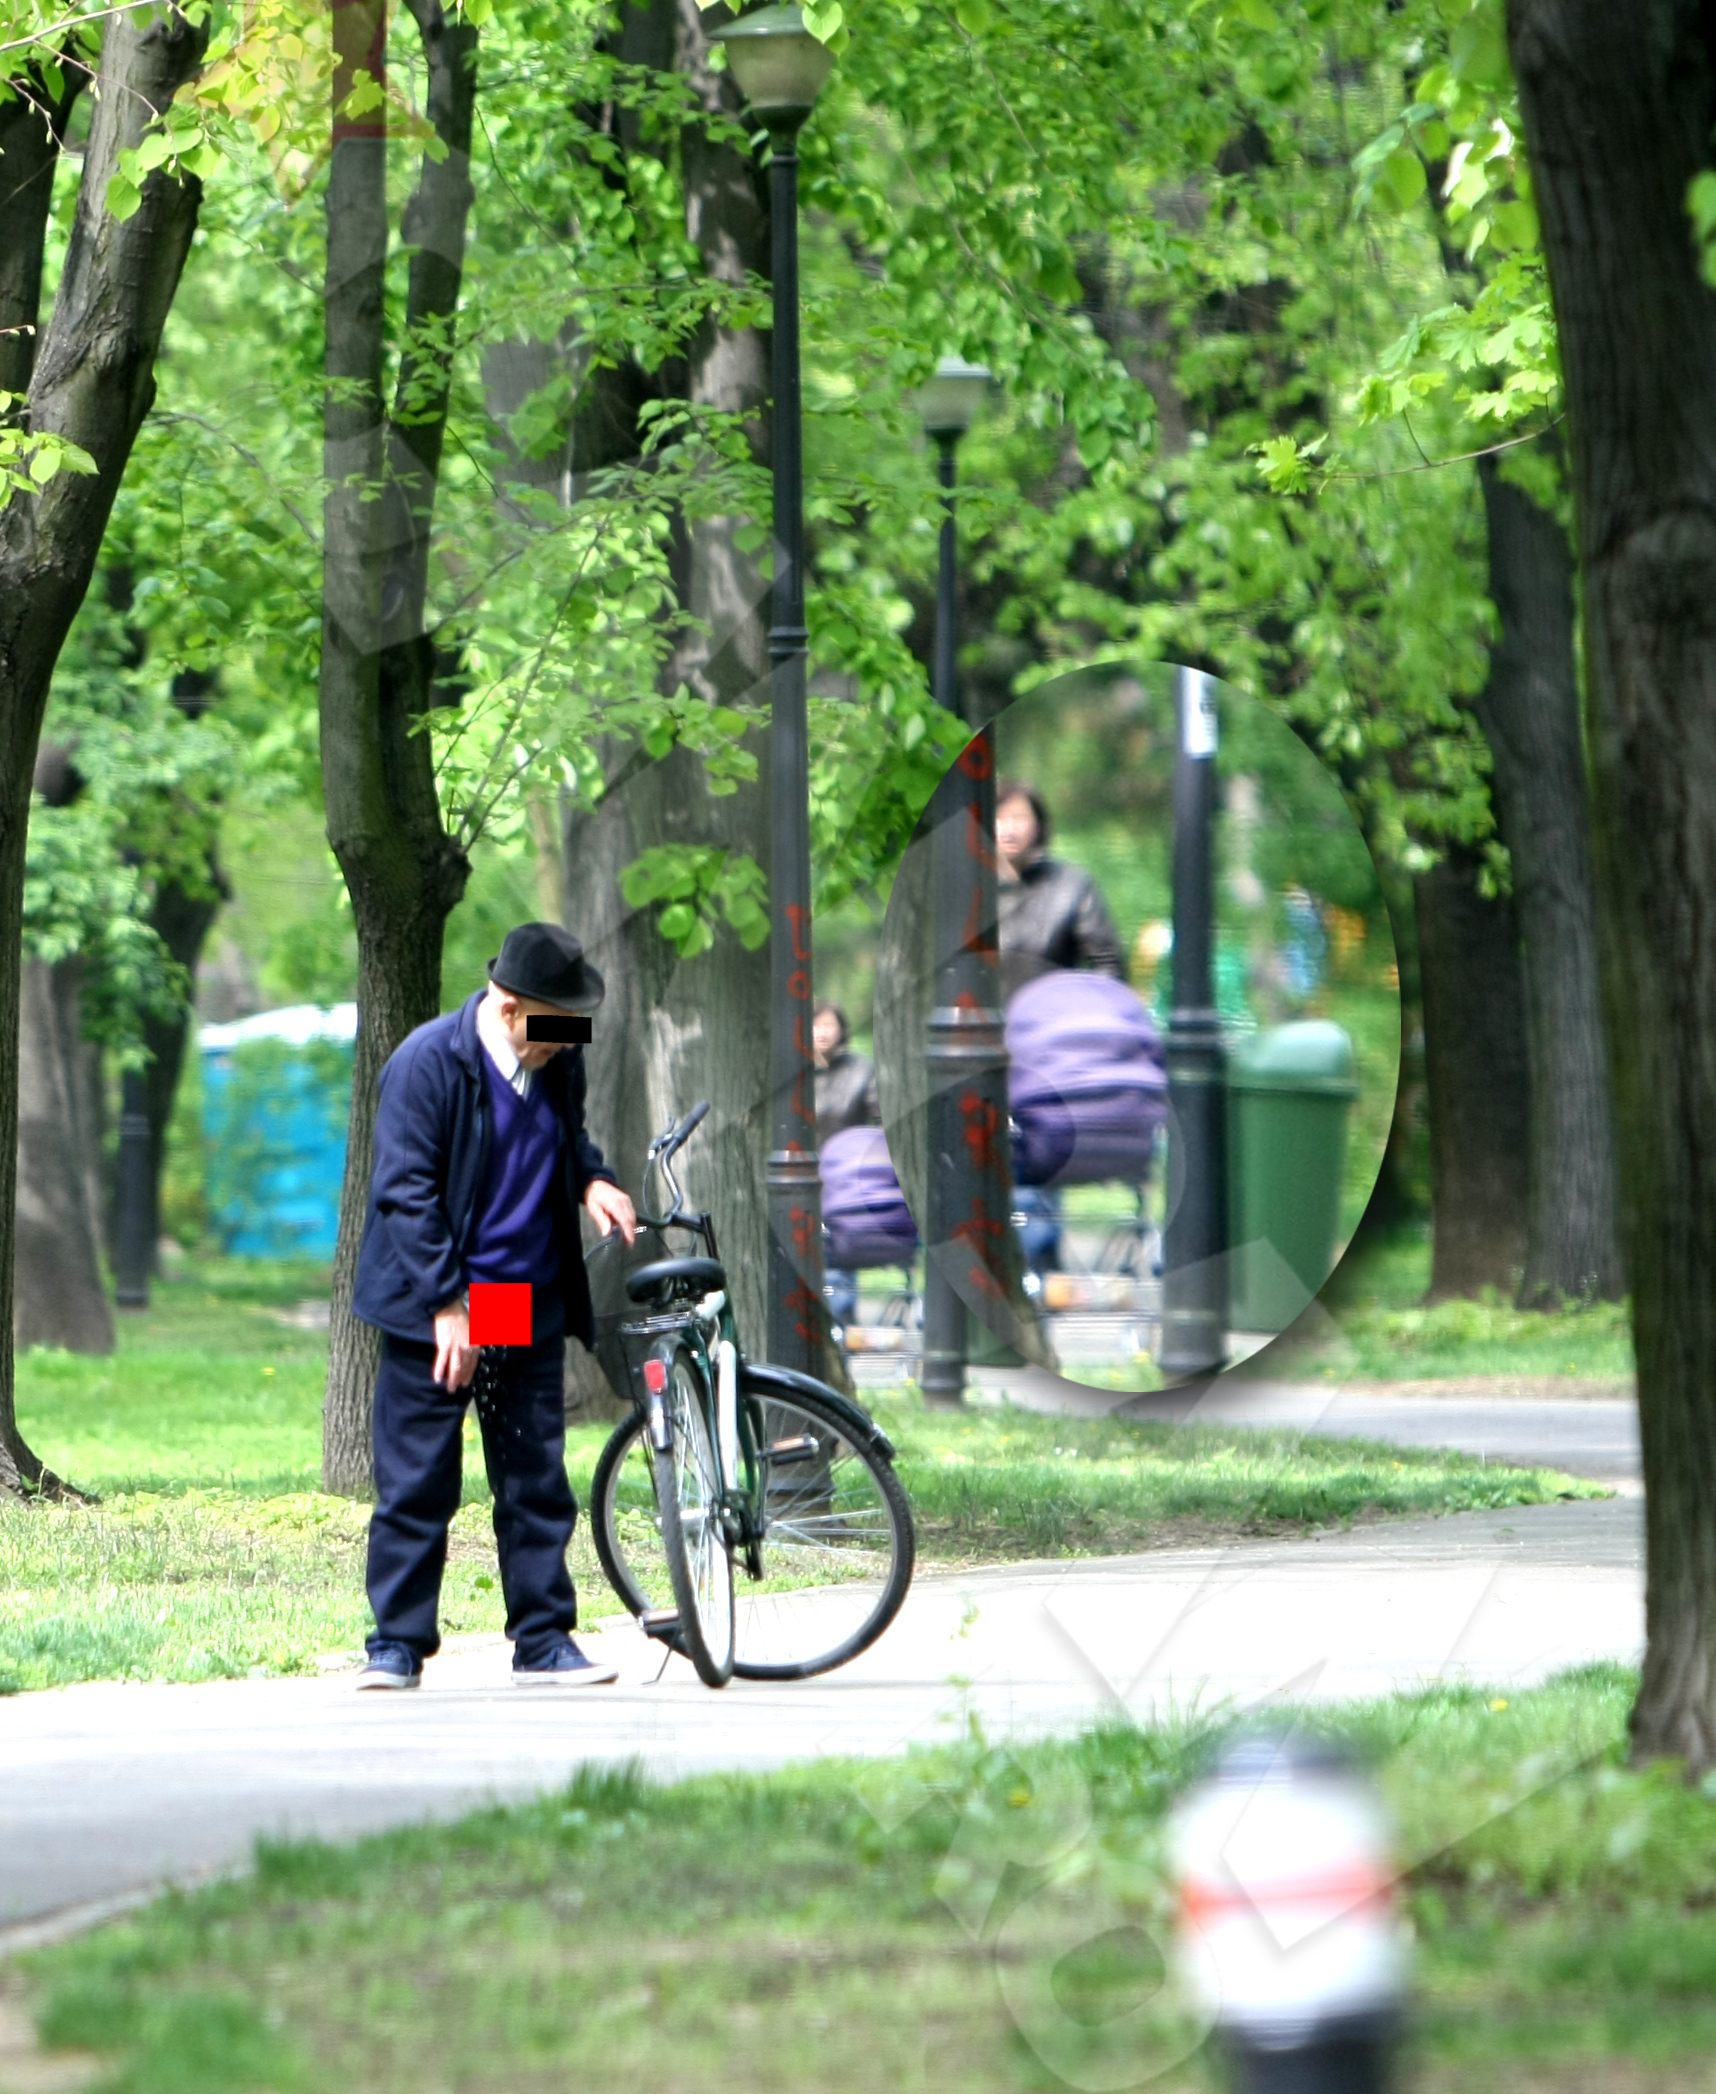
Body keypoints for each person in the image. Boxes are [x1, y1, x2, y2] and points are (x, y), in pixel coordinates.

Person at [350, 922, 638, 1692]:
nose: (559, 1041)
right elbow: (404, 1195)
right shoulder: (426, 1064)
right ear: (508, 1006)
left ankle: (543, 1641)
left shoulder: (558, 1052)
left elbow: (567, 1139)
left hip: (519, 1298)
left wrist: (593, 1181)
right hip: (438, 1303)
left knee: (534, 1475)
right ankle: (396, 1646)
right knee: (418, 1480)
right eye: (547, 1024)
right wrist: (449, 1305)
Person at [994, 781, 1125, 1275]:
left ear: (1039, 825)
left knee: (1034, 1162)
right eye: (1000, 816)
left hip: (1044, 1050)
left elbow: (1109, 961)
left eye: (1019, 816)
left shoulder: (1072, 886)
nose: (1009, 827)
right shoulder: (964, 889)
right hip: (973, 1049)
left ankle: (1036, 1270)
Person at [813, 1001, 879, 1332]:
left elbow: (881, 1115)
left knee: (838, 1252)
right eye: (816, 1024)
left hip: (847, 1178)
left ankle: (841, 1320)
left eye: (829, 1024)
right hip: (806, 1176)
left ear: (841, 1029)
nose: (822, 1031)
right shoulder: (795, 1072)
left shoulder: (861, 1070)